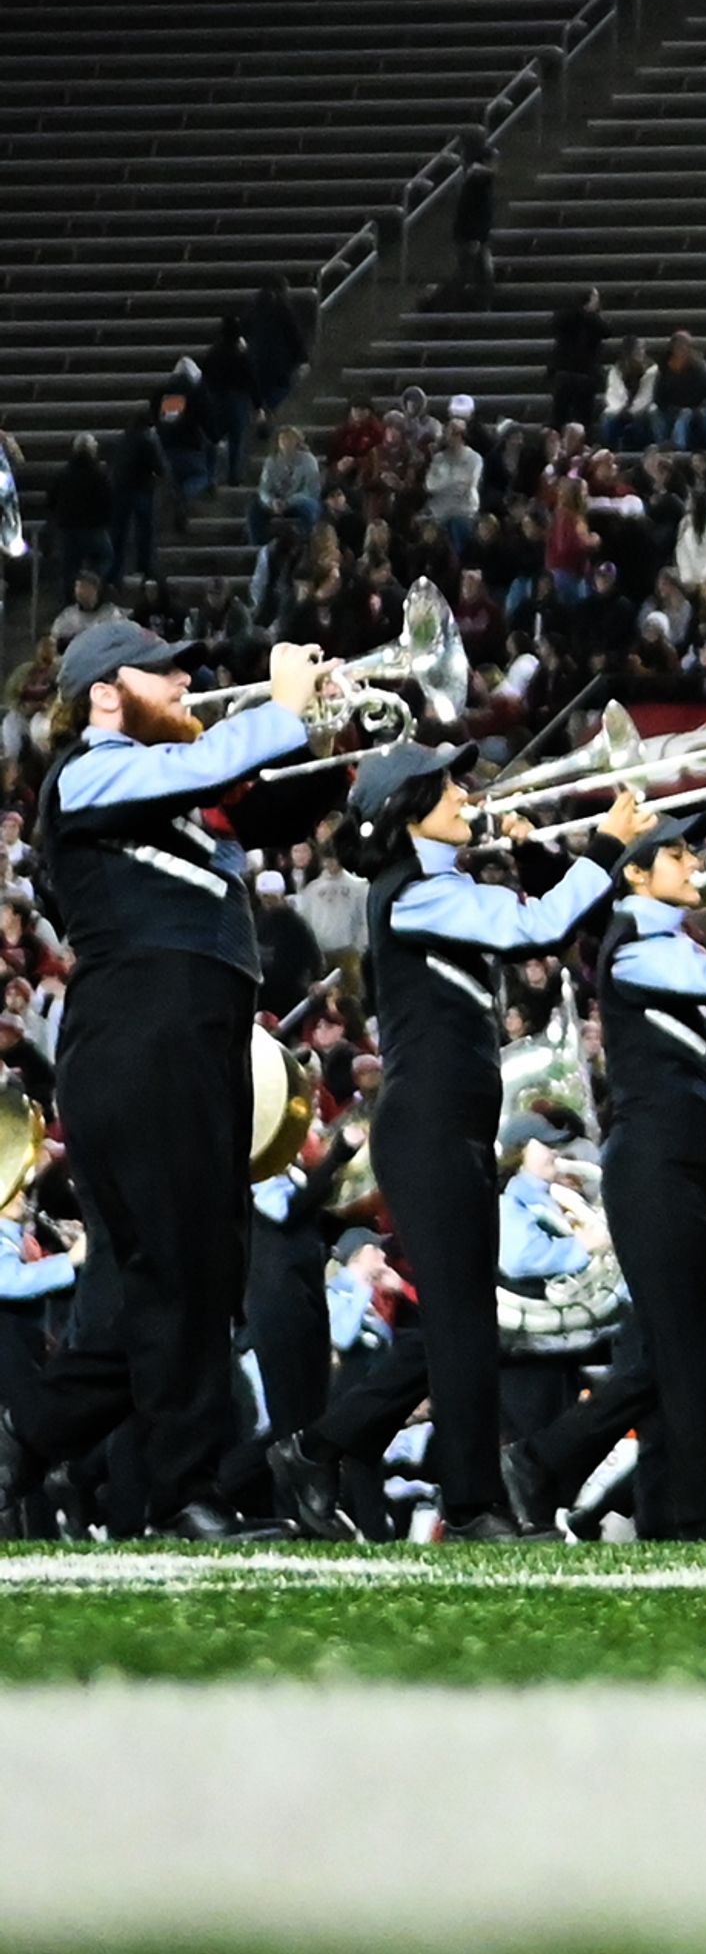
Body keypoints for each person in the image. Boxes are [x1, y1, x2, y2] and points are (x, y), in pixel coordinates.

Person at [267, 749, 642, 1542]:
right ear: (408, 812)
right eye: (449, 789)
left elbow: (537, 911)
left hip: (456, 1125)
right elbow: (540, 926)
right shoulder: (415, 896)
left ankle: (321, 1450)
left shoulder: (446, 889)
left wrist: (540, 852)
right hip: (428, 1125)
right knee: (464, 1322)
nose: (467, 796)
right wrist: (605, 847)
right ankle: (469, 1504)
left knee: (460, 1321)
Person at [0, 624, 320, 1540]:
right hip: (141, 1039)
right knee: (178, 1276)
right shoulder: (88, 773)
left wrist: (326, 734)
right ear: (106, 694)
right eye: (163, 672)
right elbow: (206, 766)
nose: (186, 681)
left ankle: (28, 1437)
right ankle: (182, 1492)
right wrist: (280, 707)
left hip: (195, 1039)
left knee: (196, 1281)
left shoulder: (175, 789)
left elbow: (269, 806)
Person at [508, 821, 706, 1540]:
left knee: (682, 1342)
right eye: (675, 855)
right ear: (635, 878)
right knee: (676, 1346)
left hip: (680, 1161)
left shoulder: (678, 948)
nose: (694, 862)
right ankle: (543, 1461)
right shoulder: (636, 946)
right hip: (654, 1161)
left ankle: (679, 1507)